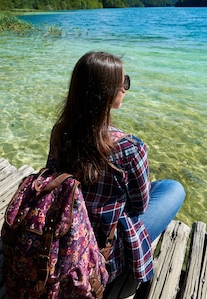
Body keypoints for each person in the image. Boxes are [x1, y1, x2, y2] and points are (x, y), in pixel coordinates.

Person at [46, 51, 186, 283]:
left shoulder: (61, 133)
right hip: (104, 254)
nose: (125, 88)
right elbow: (140, 206)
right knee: (173, 188)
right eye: (124, 83)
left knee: (155, 187)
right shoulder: (130, 147)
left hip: (66, 238)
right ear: (107, 92)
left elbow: (53, 186)